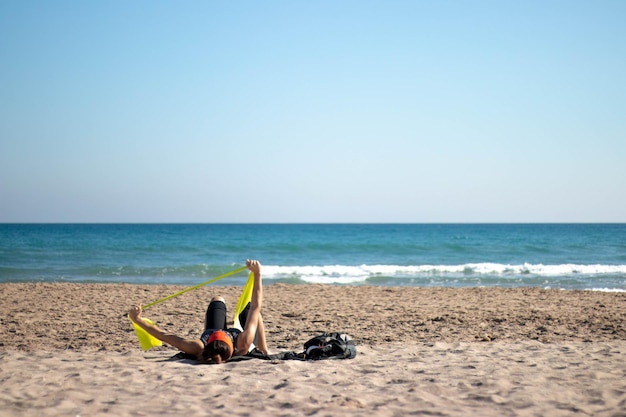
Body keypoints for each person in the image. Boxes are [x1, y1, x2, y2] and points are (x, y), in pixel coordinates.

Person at [129, 259, 268, 364]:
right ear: (231, 345)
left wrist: (137, 320)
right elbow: (256, 306)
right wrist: (258, 274)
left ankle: (263, 348)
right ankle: (264, 349)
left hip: (215, 347)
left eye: (217, 334)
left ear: (208, 343)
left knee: (217, 299)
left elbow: (164, 336)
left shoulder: (197, 347)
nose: (221, 331)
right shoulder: (243, 342)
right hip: (238, 343)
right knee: (251, 310)